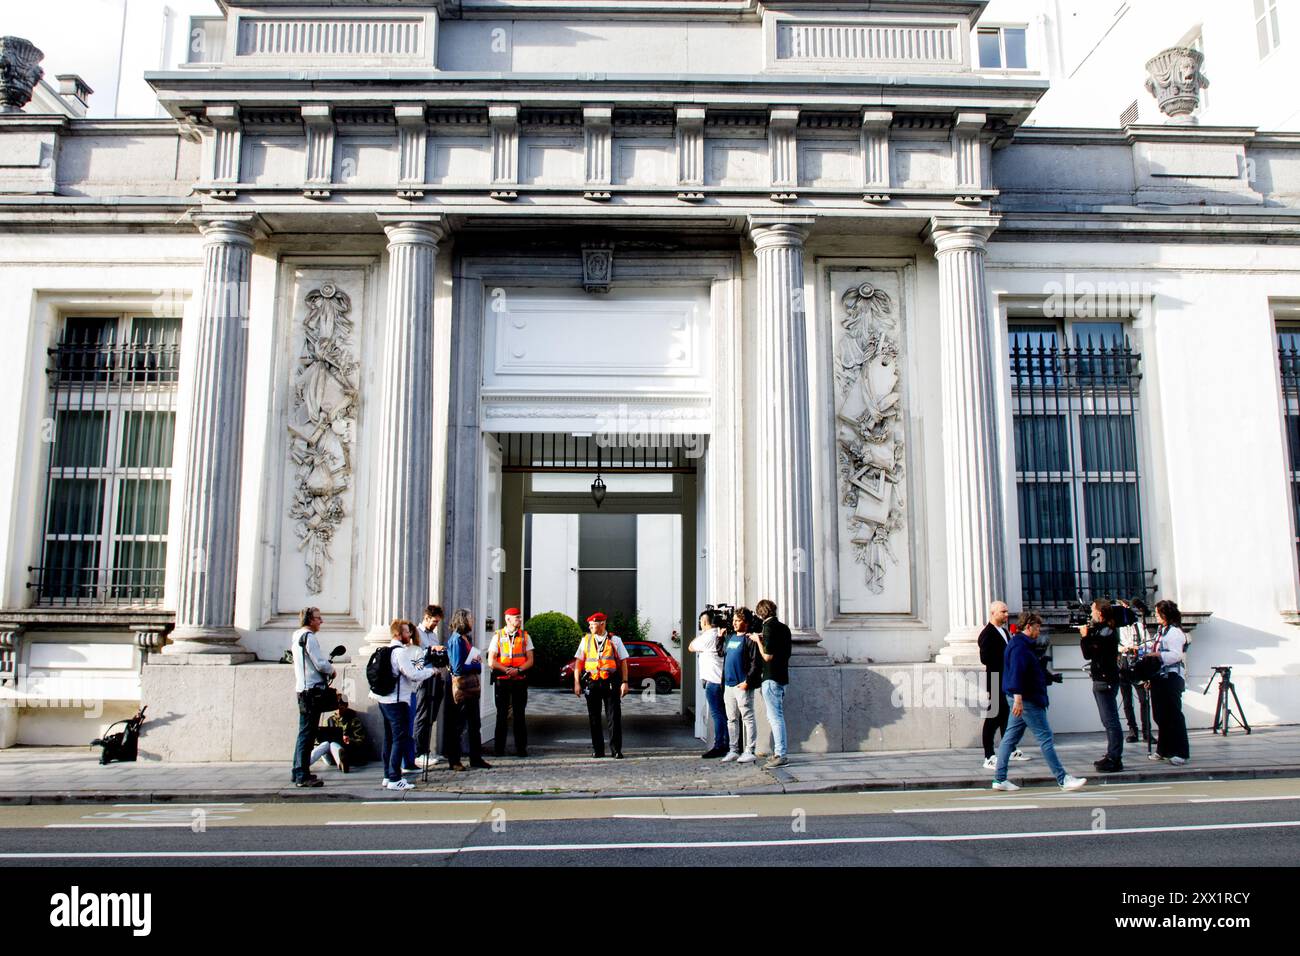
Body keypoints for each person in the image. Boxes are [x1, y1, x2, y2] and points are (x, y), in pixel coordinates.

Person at [991, 611, 1087, 792]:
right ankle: (1062, 778)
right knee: (1045, 737)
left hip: (1022, 698)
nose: (1039, 630)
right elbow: (1017, 674)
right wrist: (1018, 698)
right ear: (1028, 626)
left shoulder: (1020, 644)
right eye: (1037, 627)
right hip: (1027, 700)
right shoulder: (1020, 646)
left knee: (1010, 738)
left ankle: (999, 778)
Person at [369, 618, 435, 791]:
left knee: (389, 738)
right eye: (407, 632)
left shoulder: (387, 651)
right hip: (397, 701)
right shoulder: (400, 653)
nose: (410, 634)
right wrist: (431, 671)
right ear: (398, 634)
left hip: (385, 700)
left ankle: (387, 774)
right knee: (400, 738)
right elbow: (412, 674)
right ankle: (394, 778)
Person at [977, 600, 1029, 770]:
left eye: (1007, 612)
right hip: (995, 679)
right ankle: (989, 756)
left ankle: (1011, 749)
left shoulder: (1004, 632)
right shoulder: (987, 634)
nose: (1007, 615)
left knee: (1006, 716)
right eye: (1003, 612)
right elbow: (985, 658)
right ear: (993, 613)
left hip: (1005, 680)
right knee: (992, 718)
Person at [573, 611, 629, 758]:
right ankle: (598, 750)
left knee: (614, 717)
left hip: (610, 682)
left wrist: (625, 682)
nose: (590, 627)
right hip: (592, 682)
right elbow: (578, 663)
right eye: (590, 624)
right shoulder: (585, 640)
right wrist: (577, 683)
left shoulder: (615, 640)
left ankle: (616, 750)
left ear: (602, 623)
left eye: (593, 624)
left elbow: (623, 662)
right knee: (594, 717)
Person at [290, 606, 335, 788]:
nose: (321, 621)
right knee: (308, 733)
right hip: (312, 690)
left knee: (304, 732)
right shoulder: (309, 637)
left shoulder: (297, 637)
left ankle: (297, 770)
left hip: (303, 689)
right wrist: (331, 670)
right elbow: (319, 663)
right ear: (310, 620)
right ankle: (302, 774)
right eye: (318, 618)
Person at [1079, 599, 1124, 773]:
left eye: (1093, 611)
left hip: (1105, 680)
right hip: (1102, 679)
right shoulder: (1103, 630)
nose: (1091, 614)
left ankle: (1115, 757)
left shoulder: (1106, 632)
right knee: (1108, 720)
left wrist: (1085, 637)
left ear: (1100, 613)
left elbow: (1088, 653)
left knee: (1110, 720)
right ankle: (1112, 754)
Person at [445, 608, 491, 771]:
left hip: (471, 687)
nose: (473, 620)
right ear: (463, 620)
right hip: (463, 687)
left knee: (475, 724)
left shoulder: (466, 638)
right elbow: (457, 667)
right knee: (458, 725)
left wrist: (475, 662)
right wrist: (475, 663)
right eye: (470, 618)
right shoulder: (456, 640)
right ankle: (454, 759)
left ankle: (476, 757)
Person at [1147, 600, 1190, 765]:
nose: (1155, 615)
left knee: (1174, 715)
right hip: (1159, 677)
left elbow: (1176, 655)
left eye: (1158, 613)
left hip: (1171, 677)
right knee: (1160, 715)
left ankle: (1181, 752)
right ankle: (1163, 749)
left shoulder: (1175, 632)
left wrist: (1157, 655)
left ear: (1165, 614)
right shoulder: (1161, 631)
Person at [751, 598, 792, 769]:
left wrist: (757, 640)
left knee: (775, 717)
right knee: (777, 716)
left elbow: (767, 655)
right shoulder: (784, 627)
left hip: (771, 677)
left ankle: (781, 754)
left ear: (760, 613)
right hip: (782, 676)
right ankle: (778, 753)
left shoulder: (767, 627)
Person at [488, 607, 534, 757]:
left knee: (519, 714)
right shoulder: (498, 636)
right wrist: (506, 669)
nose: (520, 620)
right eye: (517, 618)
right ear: (508, 619)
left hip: (519, 680)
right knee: (501, 714)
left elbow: (530, 660)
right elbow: (491, 660)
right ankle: (499, 749)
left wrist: (518, 670)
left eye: (520, 618)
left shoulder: (525, 636)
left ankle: (521, 748)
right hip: (503, 680)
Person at [721, 606, 763, 764]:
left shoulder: (749, 639)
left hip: (742, 684)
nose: (735, 623)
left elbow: (755, 663)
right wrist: (720, 638)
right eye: (734, 620)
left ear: (746, 622)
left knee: (747, 717)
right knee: (731, 719)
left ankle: (749, 749)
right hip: (729, 685)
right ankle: (733, 749)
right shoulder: (731, 637)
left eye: (738, 621)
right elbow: (723, 654)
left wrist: (747, 681)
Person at [688, 607, 730, 758]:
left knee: (717, 714)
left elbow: (691, 647)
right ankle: (726, 743)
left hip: (713, 681)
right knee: (722, 713)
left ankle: (720, 744)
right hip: (719, 679)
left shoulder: (708, 637)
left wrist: (702, 634)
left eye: (701, 622)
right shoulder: (717, 636)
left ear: (704, 622)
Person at [413, 604, 447, 770]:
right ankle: (418, 753)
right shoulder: (415, 634)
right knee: (422, 715)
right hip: (422, 680)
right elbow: (415, 657)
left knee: (431, 716)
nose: (436, 625)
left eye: (438, 622)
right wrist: (430, 650)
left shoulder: (433, 635)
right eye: (434, 621)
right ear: (426, 617)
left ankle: (426, 749)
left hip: (435, 677)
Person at [1117, 600, 1153, 745]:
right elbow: (1115, 645)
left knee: (1144, 699)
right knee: (1127, 701)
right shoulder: (1117, 628)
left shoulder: (1139, 625)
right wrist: (1124, 649)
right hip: (1124, 663)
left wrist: (1139, 648)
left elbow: (1149, 643)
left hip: (1137, 663)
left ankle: (1147, 732)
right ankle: (1133, 730)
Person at [310, 698, 367, 773]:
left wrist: (349, 740)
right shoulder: (329, 720)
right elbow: (320, 738)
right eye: (336, 708)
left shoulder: (353, 721)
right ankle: (305, 764)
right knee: (326, 744)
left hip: (347, 752)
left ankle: (342, 762)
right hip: (330, 757)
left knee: (333, 744)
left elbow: (360, 740)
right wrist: (318, 738)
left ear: (346, 706)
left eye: (341, 708)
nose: (339, 711)